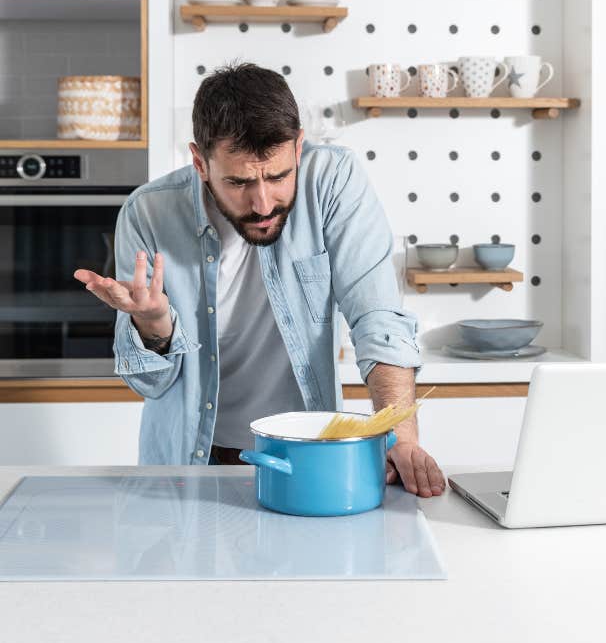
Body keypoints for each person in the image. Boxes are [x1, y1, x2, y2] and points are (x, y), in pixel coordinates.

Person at [73, 63, 445, 498]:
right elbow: (150, 384)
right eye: (240, 181)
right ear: (200, 162)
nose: (263, 202)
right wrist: (154, 326)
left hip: (307, 456)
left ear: (299, 148)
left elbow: (378, 317)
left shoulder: (333, 181)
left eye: (278, 175)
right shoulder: (148, 213)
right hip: (189, 465)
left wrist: (400, 438)